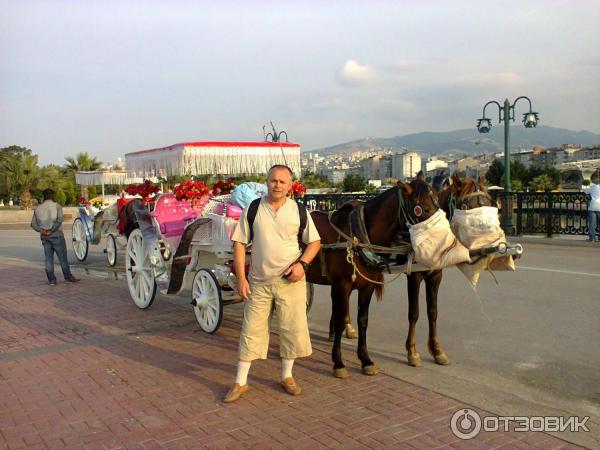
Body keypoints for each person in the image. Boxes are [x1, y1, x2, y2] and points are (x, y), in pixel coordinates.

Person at [224, 165, 321, 403]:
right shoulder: (254, 208)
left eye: (282, 182)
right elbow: (239, 243)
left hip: (291, 282)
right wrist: (241, 277)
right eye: (273, 180)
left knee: (291, 329)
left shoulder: (298, 211)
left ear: (290, 186)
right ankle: (240, 382)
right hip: (259, 282)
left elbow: (314, 242)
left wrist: (303, 265)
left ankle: (287, 376)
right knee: (250, 330)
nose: (277, 185)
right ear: (266, 182)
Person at [31, 188, 80, 285]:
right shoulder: (57, 206)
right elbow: (59, 220)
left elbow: (33, 224)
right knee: (62, 257)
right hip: (56, 235)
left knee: (48, 258)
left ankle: (52, 280)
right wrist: (51, 230)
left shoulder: (38, 208)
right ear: (52, 196)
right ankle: (67, 277)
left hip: (44, 236)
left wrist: (42, 231)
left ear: (43, 197)